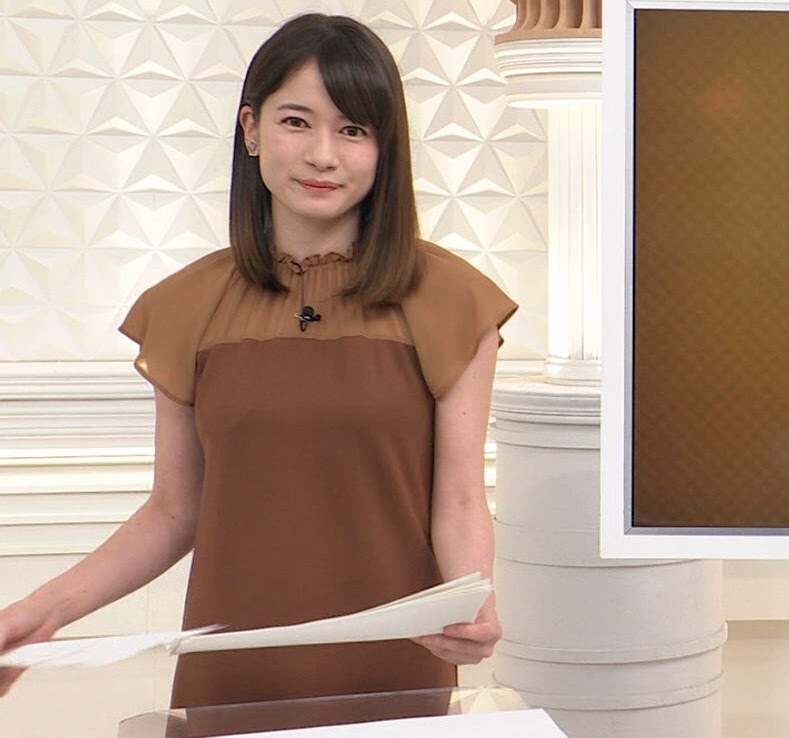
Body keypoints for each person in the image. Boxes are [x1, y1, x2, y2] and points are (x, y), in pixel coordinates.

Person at [0, 13, 516, 708]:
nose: (322, 155)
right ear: (250, 129)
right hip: (233, 666)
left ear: (385, 149)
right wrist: (39, 613)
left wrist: (473, 603)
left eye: (353, 130)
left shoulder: (452, 300)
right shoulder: (183, 306)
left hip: (395, 663)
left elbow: (457, 499)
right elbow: (173, 510)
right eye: (296, 122)